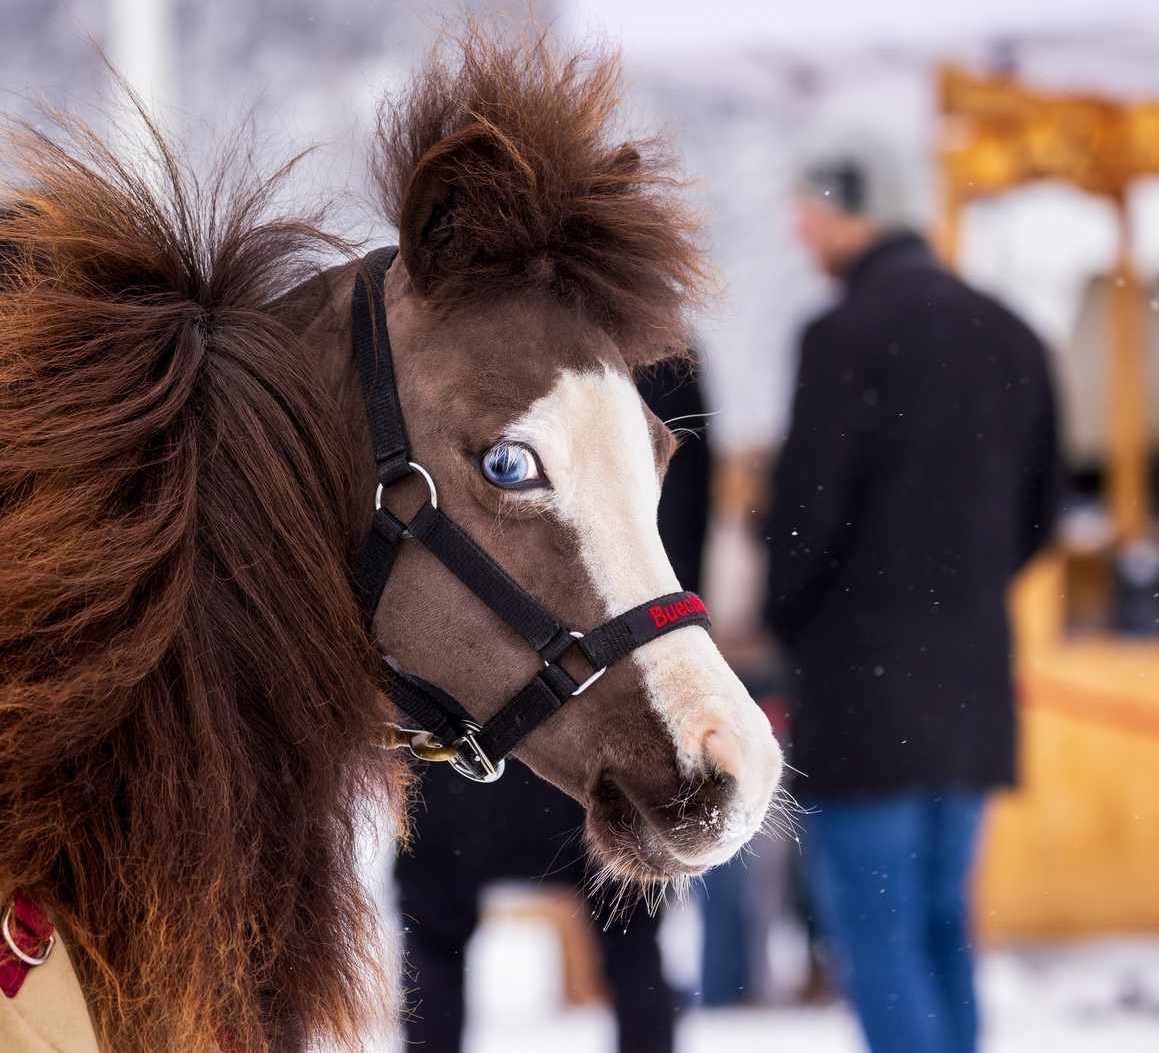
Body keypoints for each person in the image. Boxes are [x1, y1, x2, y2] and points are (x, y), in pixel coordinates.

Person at [763, 141, 1059, 1053]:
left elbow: (804, 517)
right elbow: (1042, 514)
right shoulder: (1013, 334)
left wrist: (785, 616)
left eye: (809, 210)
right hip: (971, 682)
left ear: (856, 207)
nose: (798, 231)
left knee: (877, 936)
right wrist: (957, 593)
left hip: (863, 687)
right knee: (939, 928)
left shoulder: (842, 335)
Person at [395, 356, 711, 1053]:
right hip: (613, 695)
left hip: (478, 691)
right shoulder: (660, 359)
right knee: (631, 934)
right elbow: (688, 532)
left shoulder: (480, 346)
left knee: (435, 940)